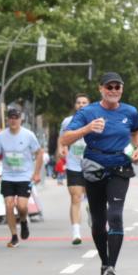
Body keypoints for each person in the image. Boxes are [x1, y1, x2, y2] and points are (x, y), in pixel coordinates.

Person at [60, 71, 138, 275]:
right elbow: (65, 138)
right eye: (109, 87)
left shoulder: (131, 112)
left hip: (119, 168)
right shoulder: (88, 112)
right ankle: (104, 263)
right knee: (98, 220)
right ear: (101, 89)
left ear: (122, 89)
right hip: (94, 168)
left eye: (117, 87)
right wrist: (87, 128)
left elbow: (136, 133)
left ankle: (111, 268)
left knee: (115, 215)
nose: (114, 91)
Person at [0, 106, 43, 248]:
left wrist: (36, 173)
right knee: (8, 205)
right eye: (11, 118)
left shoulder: (28, 135)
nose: (13, 121)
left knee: (22, 206)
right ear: (7, 119)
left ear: (21, 120)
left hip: (24, 176)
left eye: (16, 118)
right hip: (7, 176)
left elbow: (39, 153)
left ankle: (24, 221)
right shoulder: (1, 136)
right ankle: (14, 236)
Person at [59, 93, 91, 245]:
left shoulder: (96, 121)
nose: (81, 105)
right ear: (75, 105)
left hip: (92, 165)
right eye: (78, 102)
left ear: (89, 105)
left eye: (84, 102)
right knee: (75, 197)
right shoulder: (67, 122)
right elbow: (62, 139)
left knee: (94, 199)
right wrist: (62, 148)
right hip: (74, 165)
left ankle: (92, 212)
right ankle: (76, 233)